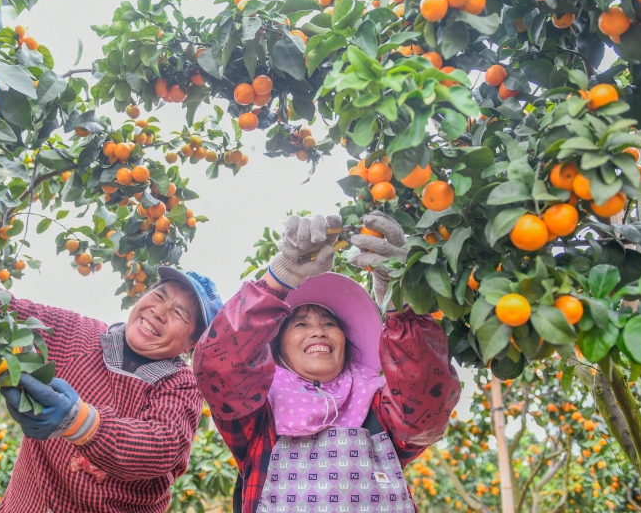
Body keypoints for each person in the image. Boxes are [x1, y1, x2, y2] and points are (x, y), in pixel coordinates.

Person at [194, 212, 461, 512]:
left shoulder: (377, 403)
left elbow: (427, 405)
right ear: (279, 349)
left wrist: (400, 301)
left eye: (329, 324)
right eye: (301, 325)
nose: (318, 331)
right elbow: (220, 368)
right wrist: (279, 277)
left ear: (346, 344)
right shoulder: (261, 410)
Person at [0, 230, 223, 513]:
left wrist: (79, 422)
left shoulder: (182, 385)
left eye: (180, 313)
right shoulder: (79, 335)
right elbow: (4, 315)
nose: (159, 311)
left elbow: (160, 446)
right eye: (159, 295)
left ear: (193, 342)